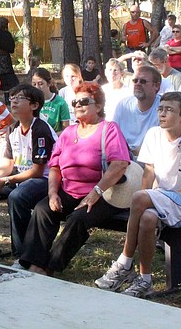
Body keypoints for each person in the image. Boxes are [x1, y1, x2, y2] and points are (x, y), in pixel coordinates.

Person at [95, 91, 181, 297]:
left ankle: (125, 261)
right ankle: (145, 279)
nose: (162, 113)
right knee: (147, 218)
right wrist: (141, 205)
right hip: (158, 197)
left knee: (139, 197)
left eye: (169, 110)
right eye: (161, 109)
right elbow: (148, 173)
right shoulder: (153, 134)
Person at [20, 82, 131, 275]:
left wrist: (95, 193)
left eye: (84, 101)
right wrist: (53, 193)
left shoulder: (109, 129)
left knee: (78, 218)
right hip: (70, 190)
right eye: (75, 101)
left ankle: (50, 267)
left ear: (98, 106)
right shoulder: (68, 133)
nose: (78, 105)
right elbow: (54, 166)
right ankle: (34, 263)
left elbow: (120, 164)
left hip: (104, 193)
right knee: (42, 209)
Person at [0, 84, 56, 259]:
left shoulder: (40, 130)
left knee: (17, 197)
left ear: (34, 106)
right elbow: (6, 164)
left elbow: (37, 171)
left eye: (20, 98)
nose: (13, 101)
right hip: (19, 178)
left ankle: (22, 254)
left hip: (45, 181)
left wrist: (5, 181)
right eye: (12, 97)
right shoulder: (13, 129)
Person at [112, 65, 162, 156]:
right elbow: (114, 137)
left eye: (143, 81)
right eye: (135, 81)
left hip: (150, 160)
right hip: (123, 157)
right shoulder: (123, 105)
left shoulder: (163, 108)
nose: (138, 84)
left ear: (156, 86)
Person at [31, 68, 70, 132]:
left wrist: (50, 137)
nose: (37, 87)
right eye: (34, 84)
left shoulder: (60, 103)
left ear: (49, 83)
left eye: (40, 84)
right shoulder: (30, 102)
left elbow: (65, 131)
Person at [0, 16, 19, 91]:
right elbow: (11, 49)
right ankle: (6, 95)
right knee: (7, 79)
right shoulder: (8, 35)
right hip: (5, 59)